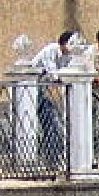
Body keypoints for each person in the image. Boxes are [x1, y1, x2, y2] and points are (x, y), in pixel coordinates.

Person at [29, 31, 74, 168]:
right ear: (64, 43)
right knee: (47, 124)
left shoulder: (70, 56)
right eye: (72, 43)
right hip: (32, 89)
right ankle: (44, 158)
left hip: (46, 92)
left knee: (53, 125)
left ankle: (51, 159)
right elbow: (54, 75)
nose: (74, 47)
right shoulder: (51, 50)